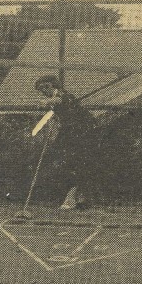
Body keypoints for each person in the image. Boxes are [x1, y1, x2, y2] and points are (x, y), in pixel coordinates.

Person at [34, 75, 99, 210]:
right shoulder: (56, 99)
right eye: (41, 89)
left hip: (84, 131)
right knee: (68, 162)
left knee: (78, 163)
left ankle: (75, 198)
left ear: (54, 86)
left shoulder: (64, 96)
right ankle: (77, 197)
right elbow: (61, 114)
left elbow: (60, 100)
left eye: (46, 87)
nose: (44, 91)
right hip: (72, 132)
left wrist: (47, 102)